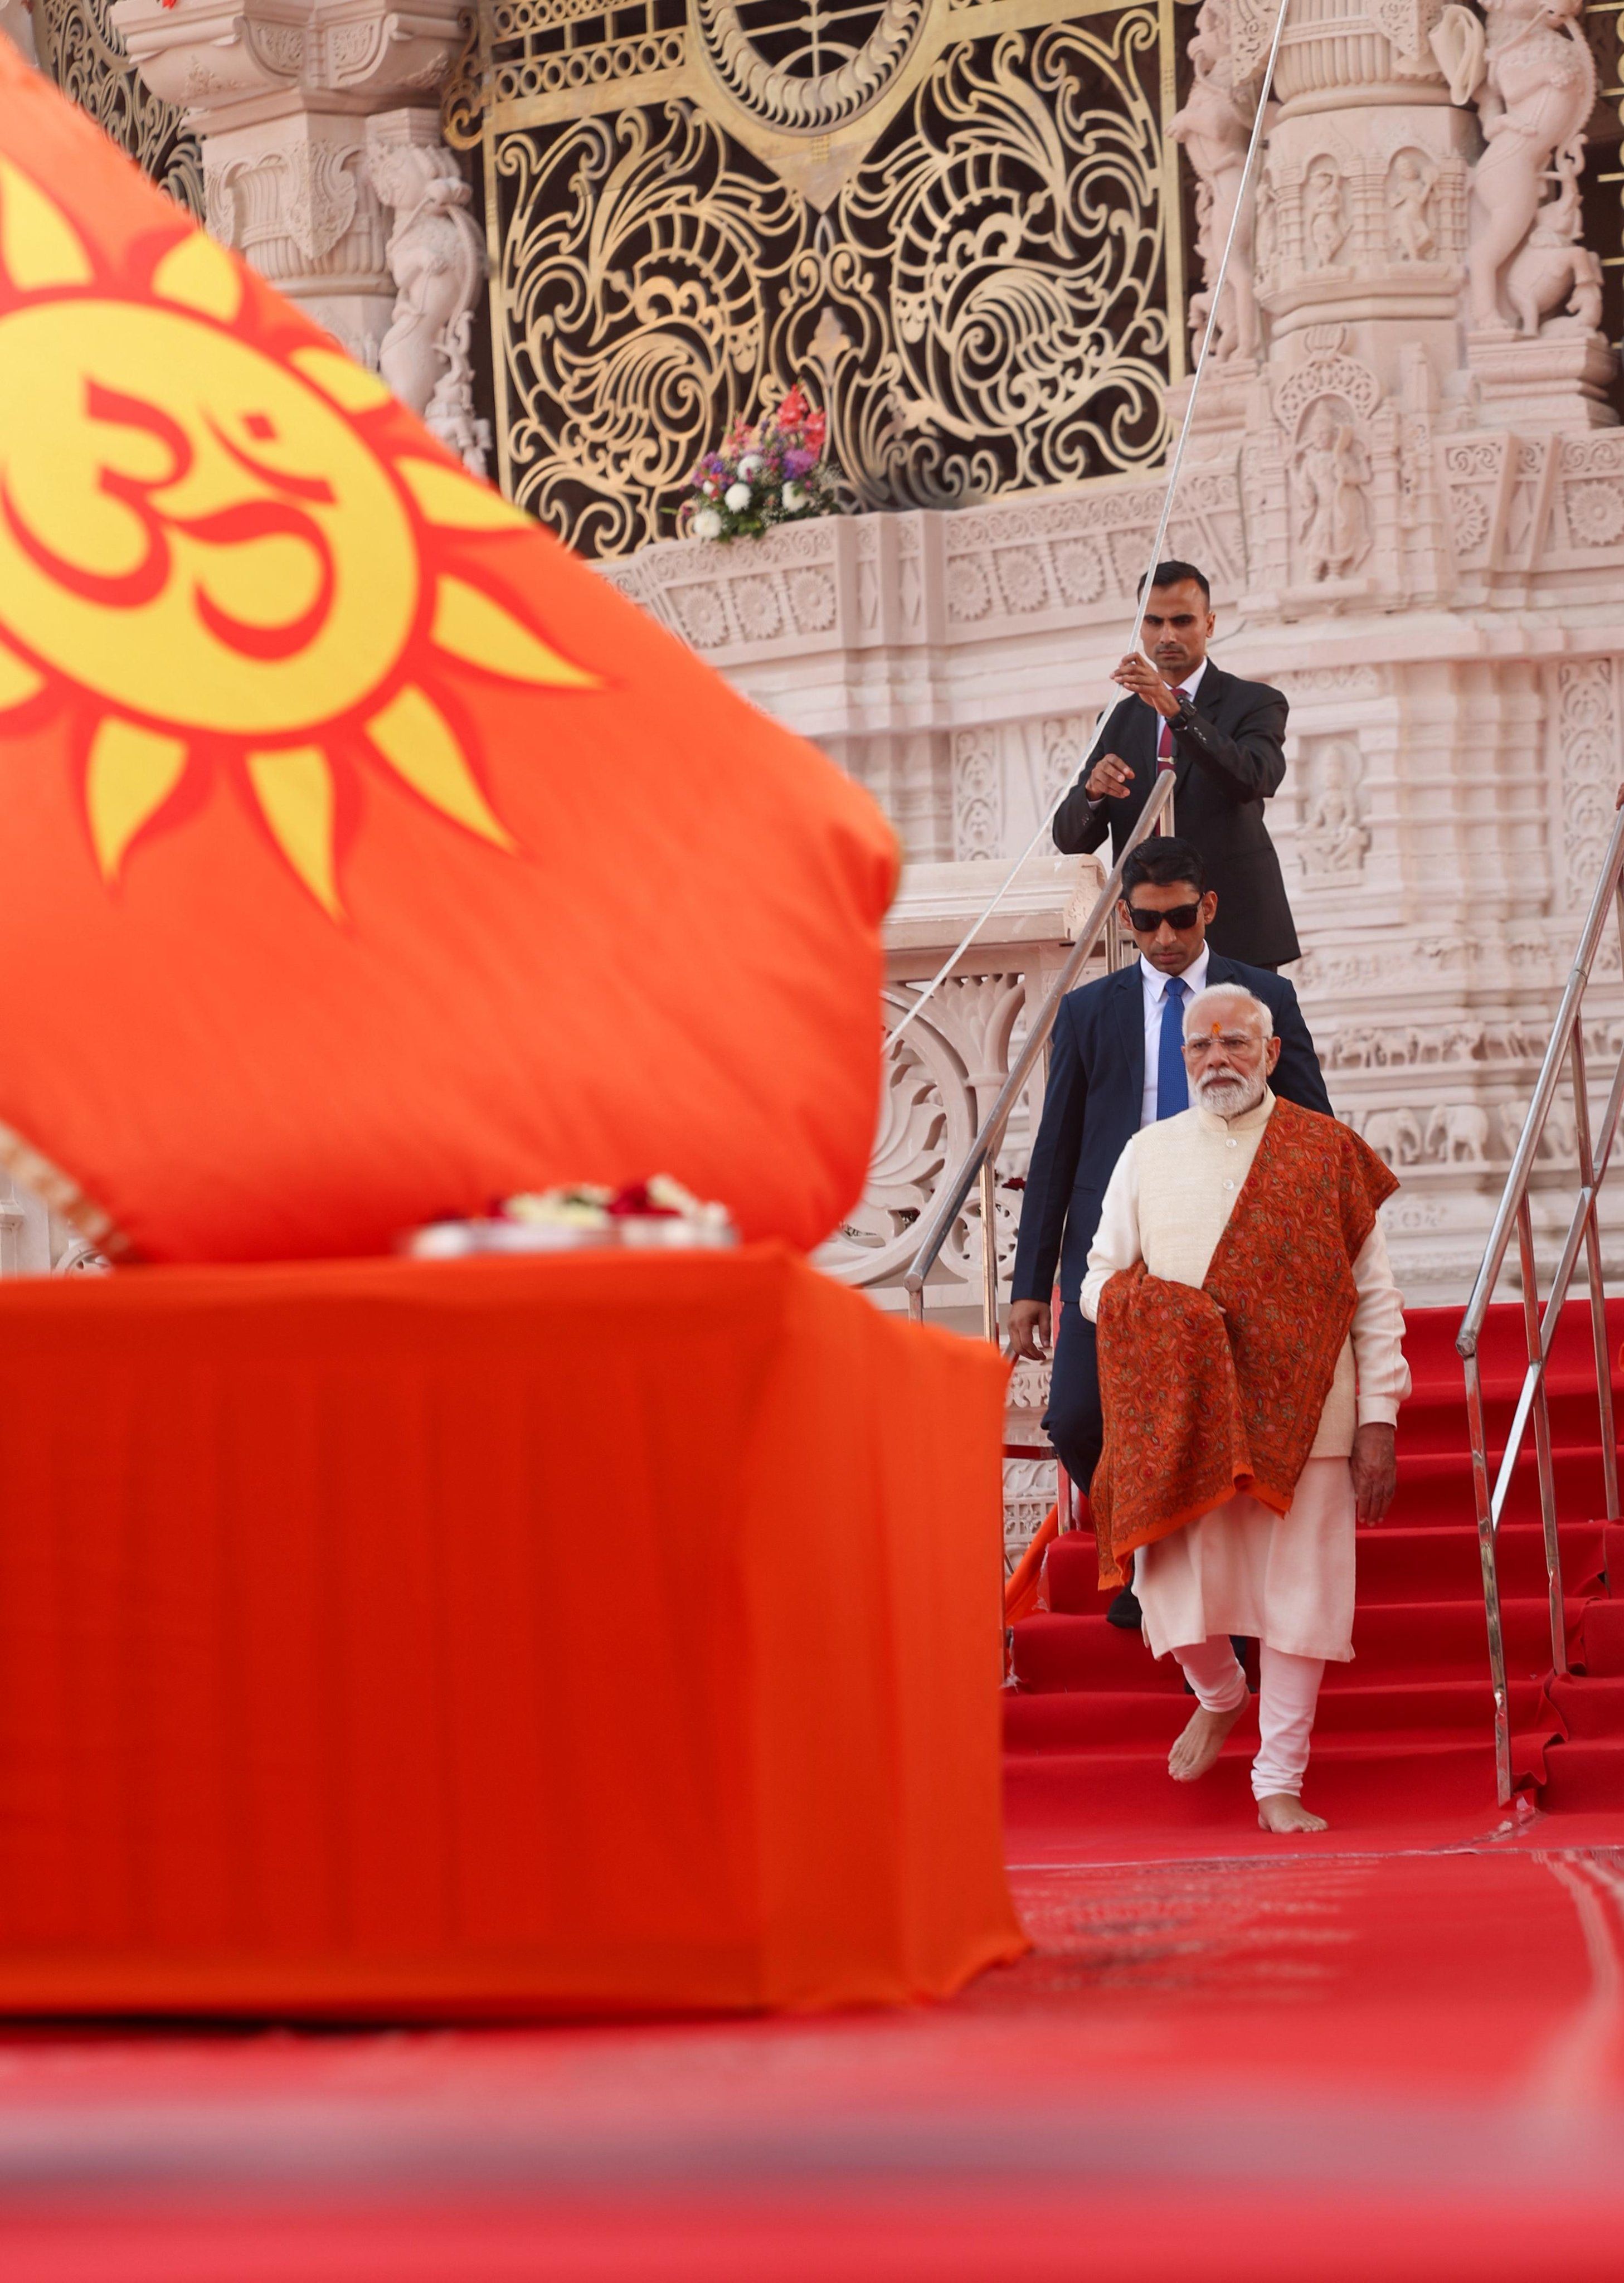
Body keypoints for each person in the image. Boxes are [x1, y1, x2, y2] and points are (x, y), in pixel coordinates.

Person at [1082, 983, 1409, 1833]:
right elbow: (1095, 1281)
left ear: (1270, 1054)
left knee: (1301, 1599)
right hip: (1186, 1417)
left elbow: (1373, 1298)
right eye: (1200, 1045)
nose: (1216, 1058)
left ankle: (1278, 1782)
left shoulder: (1327, 1152)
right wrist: (1169, 1314)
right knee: (1164, 1584)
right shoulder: (1146, 1153)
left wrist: (1378, 1418)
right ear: (1181, 1058)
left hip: (1312, 1415)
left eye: (1235, 1043)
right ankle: (1222, 1692)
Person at [1007, 836, 1331, 1626]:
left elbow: (1314, 1129)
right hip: (1115, 1251)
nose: (1164, 938)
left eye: (1180, 918)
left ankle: (1212, 1610)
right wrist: (1029, 1284)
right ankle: (1147, 1551)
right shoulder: (1089, 1011)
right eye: (1147, 921)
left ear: (1207, 907)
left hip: (1229, 1247)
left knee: (1221, 1430)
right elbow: (1055, 1149)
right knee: (1076, 1418)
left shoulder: (1263, 998)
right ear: (1125, 919)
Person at [1052, 561, 1298, 970]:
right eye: (1154, 621)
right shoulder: (1117, 719)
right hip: (1149, 938)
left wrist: (1176, 711)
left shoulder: (1255, 702)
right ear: (1141, 627)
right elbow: (1068, 838)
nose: (1167, 635)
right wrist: (1093, 793)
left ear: (1209, 624)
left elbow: (1255, 778)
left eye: (1182, 621)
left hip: (1236, 931)